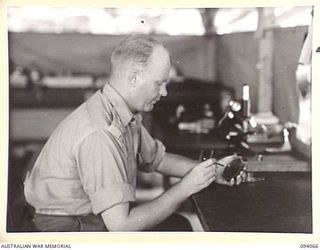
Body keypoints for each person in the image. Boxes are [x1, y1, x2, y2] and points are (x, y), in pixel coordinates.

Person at [24, 34, 246, 232]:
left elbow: (158, 159)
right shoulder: (101, 132)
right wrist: (185, 188)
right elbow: (122, 226)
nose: (164, 92)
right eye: (159, 84)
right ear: (133, 78)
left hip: (90, 215)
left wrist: (211, 171)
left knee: (178, 226)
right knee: (177, 229)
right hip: (67, 227)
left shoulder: (119, 110)